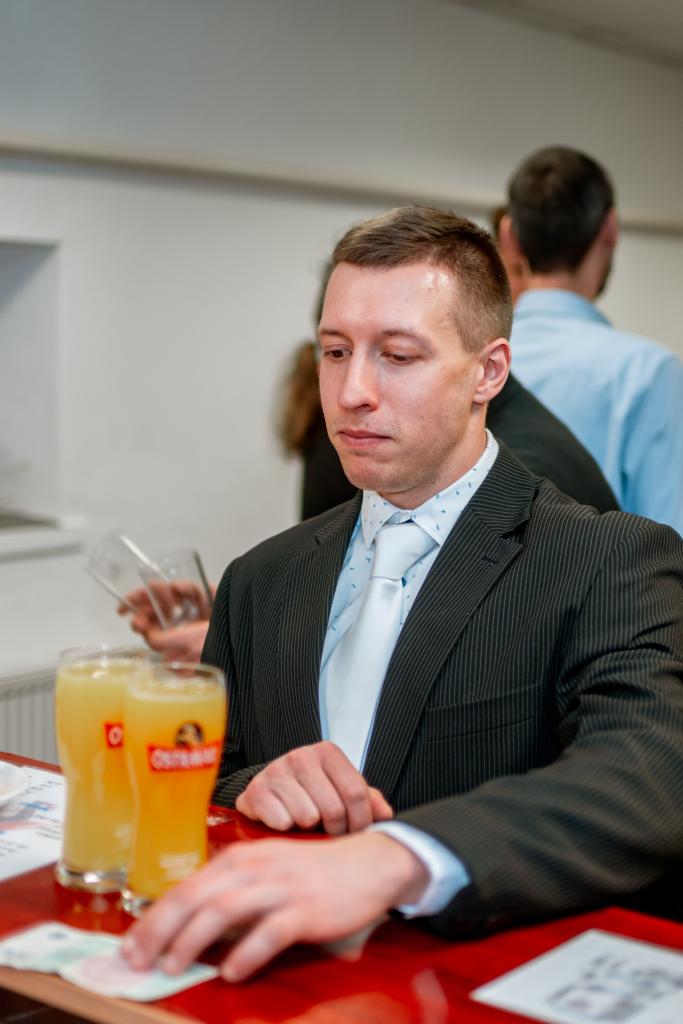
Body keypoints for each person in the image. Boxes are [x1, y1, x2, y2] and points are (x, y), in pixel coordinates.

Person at [123, 207, 683, 984]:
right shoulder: (260, 579)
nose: (352, 391)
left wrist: (396, 858)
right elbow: (212, 773)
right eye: (335, 352)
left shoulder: (607, 560)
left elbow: (645, 775)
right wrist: (256, 788)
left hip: (474, 983)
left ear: (487, 372)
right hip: (278, 981)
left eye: (397, 355)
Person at [498, 146, 683, 535]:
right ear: (610, 228)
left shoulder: (471, 360)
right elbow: (672, 542)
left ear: (508, 237)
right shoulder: (649, 374)